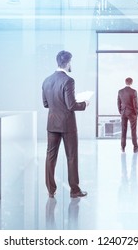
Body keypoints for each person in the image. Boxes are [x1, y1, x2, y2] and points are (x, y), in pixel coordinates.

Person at [42, 50, 89, 198]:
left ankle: (51, 190)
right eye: (71, 62)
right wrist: (85, 103)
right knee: (72, 157)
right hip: (67, 125)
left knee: (50, 156)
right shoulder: (69, 80)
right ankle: (74, 190)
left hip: (52, 124)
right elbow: (71, 105)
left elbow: (45, 104)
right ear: (68, 63)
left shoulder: (46, 80)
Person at [117, 78, 138, 153]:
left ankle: (122, 147)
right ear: (131, 82)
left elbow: (118, 102)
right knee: (133, 131)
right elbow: (135, 103)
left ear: (125, 82)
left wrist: (121, 111)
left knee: (123, 130)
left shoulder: (120, 91)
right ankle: (135, 148)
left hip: (123, 113)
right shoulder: (133, 91)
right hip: (131, 113)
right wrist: (136, 112)